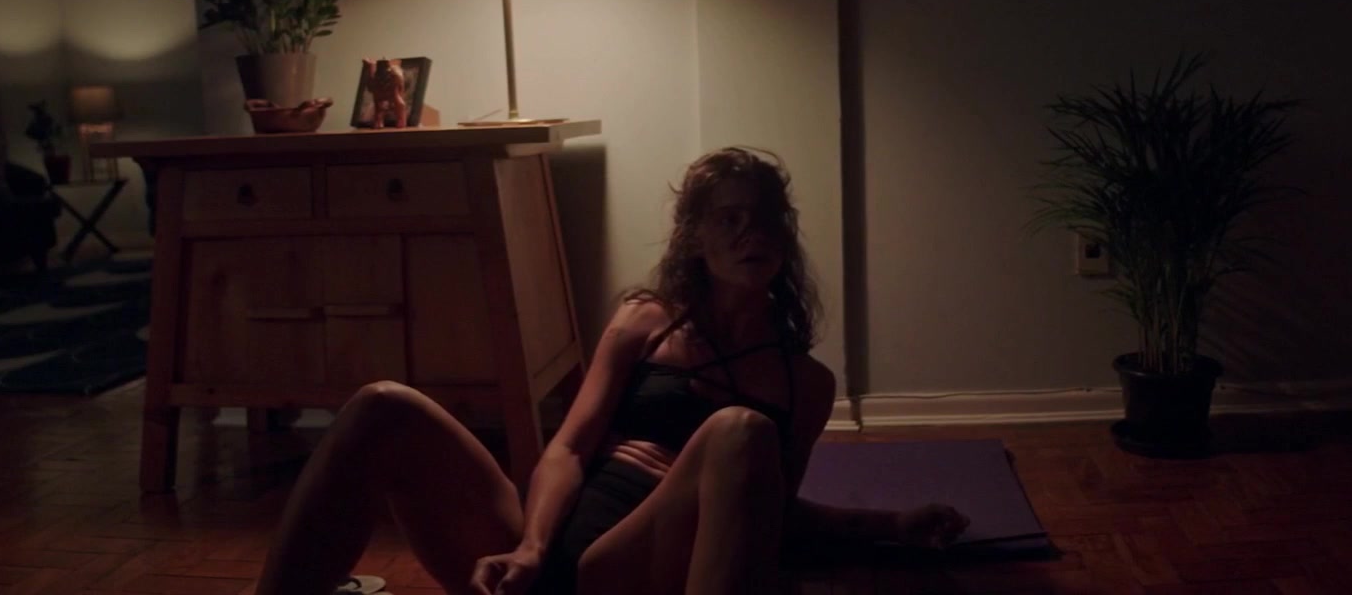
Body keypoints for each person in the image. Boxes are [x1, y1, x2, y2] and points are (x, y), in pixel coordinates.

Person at [255, 147, 970, 595]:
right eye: (729, 219)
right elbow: (568, 447)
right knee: (383, 404)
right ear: (696, 238)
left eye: (766, 219)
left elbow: (769, 514)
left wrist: (893, 525)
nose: (751, 233)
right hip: (540, 550)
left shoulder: (804, 384)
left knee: (739, 432)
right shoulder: (645, 321)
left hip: (632, 568)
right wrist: (531, 548)